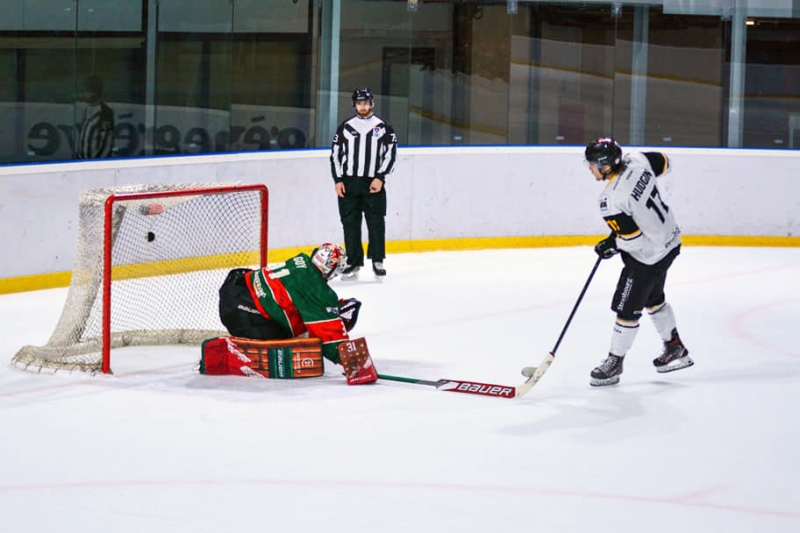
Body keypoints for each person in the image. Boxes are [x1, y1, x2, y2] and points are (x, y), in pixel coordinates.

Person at [583, 137, 693, 386]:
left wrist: (612, 244)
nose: (590, 169)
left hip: (648, 257)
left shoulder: (610, 200)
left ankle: (615, 362)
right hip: (671, 242)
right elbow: (665, 162)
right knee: (653, 298)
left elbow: (633, 242)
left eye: (592, 164)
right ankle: (675, 347)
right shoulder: (637, 160)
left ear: (606, 165)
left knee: (626, 308)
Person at [217, 243, 361, 365]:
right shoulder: (318, 290)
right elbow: (330, 341)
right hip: (245, 315)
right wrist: (353, 361)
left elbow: (302, 297)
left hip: (235, 289)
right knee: (289, 337)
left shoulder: (301, 260)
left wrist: (332, 307)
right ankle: (242, 349)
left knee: (295, 317)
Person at [330, 87, 398, 281]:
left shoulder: (384, 127)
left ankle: (378, 262)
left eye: (366, 103)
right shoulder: (345, 127)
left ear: (372, 104)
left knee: (376, 222)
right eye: (359, 103)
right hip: (349, 183)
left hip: (373, 183)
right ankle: (353, 262)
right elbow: (335, 155)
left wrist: (380, 177)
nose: (363, 107)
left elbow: (391, 154)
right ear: (354, 105)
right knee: (350, 223)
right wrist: (338, 180)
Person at [76, 75, 115, 159]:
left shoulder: (105, 113)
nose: (85, 94)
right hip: (82, 161)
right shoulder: (87, 109)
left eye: (88, 91)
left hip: (94, 163)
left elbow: (107, 144)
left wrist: (97, 163)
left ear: (96, 92)